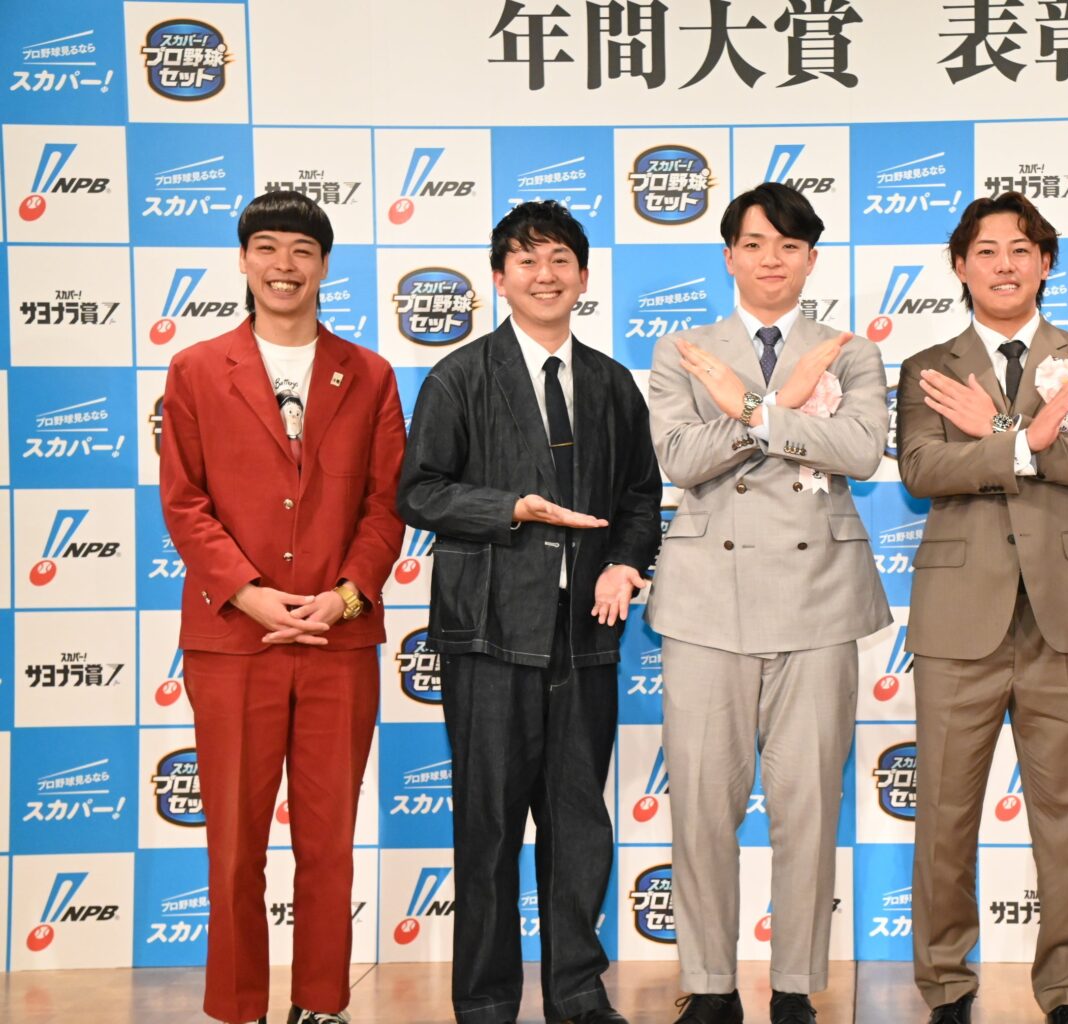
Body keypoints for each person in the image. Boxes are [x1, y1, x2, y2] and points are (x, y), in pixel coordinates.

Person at [397, 200, 661, 1024]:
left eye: (560, 261)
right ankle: (484, 1002)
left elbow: (641, 498)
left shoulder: (613, 383)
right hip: (489, 634)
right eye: (526, 260)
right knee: (488, 830)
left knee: (579, 826)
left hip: (586, 637)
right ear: (499, 277)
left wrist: (623, 562)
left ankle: (577, 994)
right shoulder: (460, 376)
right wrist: (512, 508)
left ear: (583, 276)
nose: (544, 276)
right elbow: (420, 491)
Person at [646, 182, 891, 1024]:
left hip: (819, 599)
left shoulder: (849, 350)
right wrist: (783, 412)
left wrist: (748, 405)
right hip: (705, 604)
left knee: (809, 804)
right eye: (754, 244)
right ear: (729, 256)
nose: (771, 260)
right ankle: (710, 985)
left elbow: (860, 450)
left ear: (812, 259)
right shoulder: (684, 350)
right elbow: (681, 459)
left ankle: (794, 985)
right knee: (701, 805)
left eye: (789, 246)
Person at [160, 190, 406, 1024]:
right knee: (234, 844)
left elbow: (387, 503)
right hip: (234, 639)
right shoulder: (197, 369)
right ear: (243, 261)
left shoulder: (369, 374)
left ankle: (322, 1003)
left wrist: (344, 597)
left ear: (325, 266)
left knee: (328, 841)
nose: (283, 265)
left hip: (340, 639)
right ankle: (237, 1007)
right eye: (266, 247)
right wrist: (249, 592)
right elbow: (184, 501)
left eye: (302, 250)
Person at [896, 192, 1068, 1024]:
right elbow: (923, 470)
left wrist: (995, 428)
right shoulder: (928, 365)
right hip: (959, 618)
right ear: (960, 265)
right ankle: (946, 985)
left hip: (1063, 615)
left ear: (1046, 263)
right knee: (945, 815)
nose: (1005, 264)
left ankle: (1065, 991)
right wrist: (1031, 438)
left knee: (1066, 814)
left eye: (1022, 249)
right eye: (987, 250)